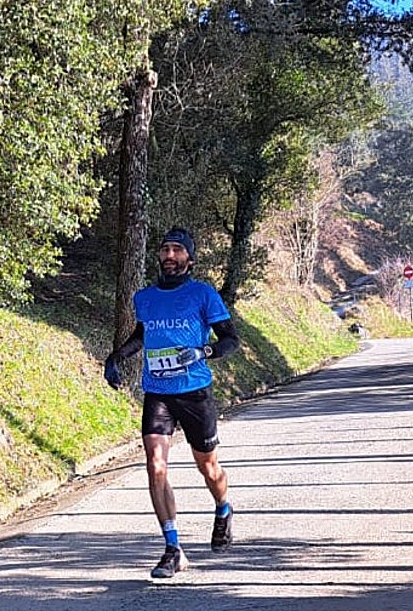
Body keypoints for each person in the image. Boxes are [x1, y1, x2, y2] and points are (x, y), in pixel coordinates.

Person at [104, 227, 241, 579]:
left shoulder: (203, 294)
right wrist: (116, 357)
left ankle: (223, 508)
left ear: (189, 259)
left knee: (209, 468)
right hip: (158, 392)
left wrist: (203, 351)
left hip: (195, 392)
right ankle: (173, 549)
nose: (169, 255)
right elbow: (142, 334)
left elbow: (230, 339)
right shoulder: (145, 297)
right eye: (165, 249)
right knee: (155, 465)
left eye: (177, 250)